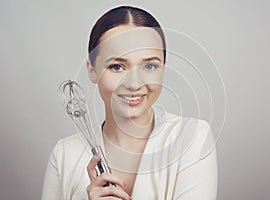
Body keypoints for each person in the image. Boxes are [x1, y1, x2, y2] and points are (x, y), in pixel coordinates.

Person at [41, 6, 218, 200]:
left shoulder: (192, 138)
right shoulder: (64, 154)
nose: (134, 83)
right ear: (92, 70)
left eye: (150, 66)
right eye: (117, 67)